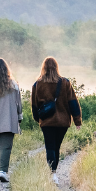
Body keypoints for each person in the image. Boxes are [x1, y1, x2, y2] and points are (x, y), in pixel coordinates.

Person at [30, 56, 81, 184]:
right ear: (56, 67)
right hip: (63, 122)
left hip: (47, 122)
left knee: (50, 147)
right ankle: (54, 172)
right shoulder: (65, 83)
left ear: (44, 68)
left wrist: (39, 119)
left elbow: (34, 105)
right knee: (56, 147)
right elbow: (73, 103)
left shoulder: (38, 84)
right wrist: (77, 120)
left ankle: (52, 173)